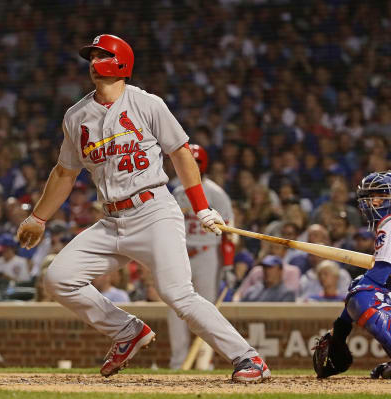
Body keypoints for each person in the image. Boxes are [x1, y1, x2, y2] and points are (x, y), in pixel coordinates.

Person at [16, 34, 270, 383]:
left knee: (177, 294)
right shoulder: (76, 116)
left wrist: (201, 208)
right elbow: (64, 172)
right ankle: (127, 332)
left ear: (121, 62)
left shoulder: (147, 104)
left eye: (101, 55)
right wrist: (38, 217)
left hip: (153, 212)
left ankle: (248, 358)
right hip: (110, 219)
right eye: (91, 57)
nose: (93, 62)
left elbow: (181, 152)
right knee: (59, 278)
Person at [313, 171, 391, 380]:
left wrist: (340, 330)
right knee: (363, 289)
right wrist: (341, 331)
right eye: (370, 197)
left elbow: (373, 283)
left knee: (365, 293)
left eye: (381, 196)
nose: (373, 202)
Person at [167, 143, 235, 370]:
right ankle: (178, 363)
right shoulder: (178, 191)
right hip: (181, 255)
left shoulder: (216, 193)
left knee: (207, 309)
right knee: (175, 307)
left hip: (207, 255)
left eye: (195, 162)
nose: (190, 165)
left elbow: (228, 231)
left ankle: (205, 362)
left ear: (202, 164)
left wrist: (227, 265)